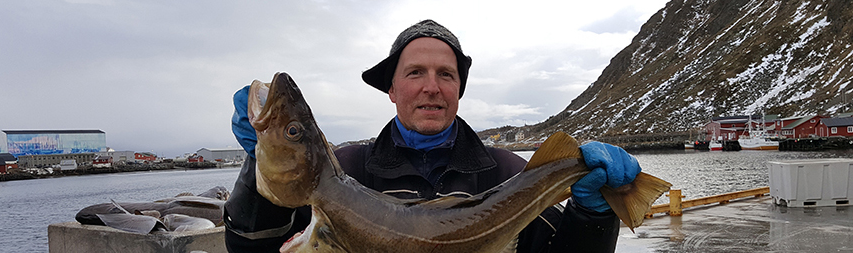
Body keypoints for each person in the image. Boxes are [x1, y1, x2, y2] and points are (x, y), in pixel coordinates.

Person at [224, 19, 642, 253]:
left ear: (458, 89)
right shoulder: (348, 167)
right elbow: (252, 250)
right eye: (414, 73)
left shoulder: (509, 173)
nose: (431, 86)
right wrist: (258, 172)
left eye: (446, 74)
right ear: (391, 89)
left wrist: (592, 216)